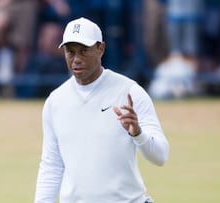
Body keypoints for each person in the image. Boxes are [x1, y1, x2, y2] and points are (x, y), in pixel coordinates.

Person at [34, 17, 169, 203]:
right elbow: (52, 165)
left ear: (101, 49)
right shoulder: (55, 102)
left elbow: (160, 156)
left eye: (84, 51)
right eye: (70, 52)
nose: (76, 59)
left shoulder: (130, 92)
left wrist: (138, 133)